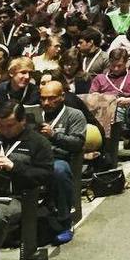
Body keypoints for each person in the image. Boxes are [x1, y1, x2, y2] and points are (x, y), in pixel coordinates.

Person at [0, 102, 53, 260]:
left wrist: (13, 167)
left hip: (20, 198)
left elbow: (45, 176)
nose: (5, 130)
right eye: (1, 125)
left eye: (10, 125)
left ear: (22, 120)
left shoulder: (38, 143)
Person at [39, 80, 86, 243]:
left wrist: (54, 135)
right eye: (43, 98)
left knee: (59, 170)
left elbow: (77, 144)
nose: (46, 103)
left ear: (62, 96)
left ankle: (65, 222)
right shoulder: (35, 114)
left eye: (51, 98)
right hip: (34, 158)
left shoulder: (74, 115)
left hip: (60, 159)